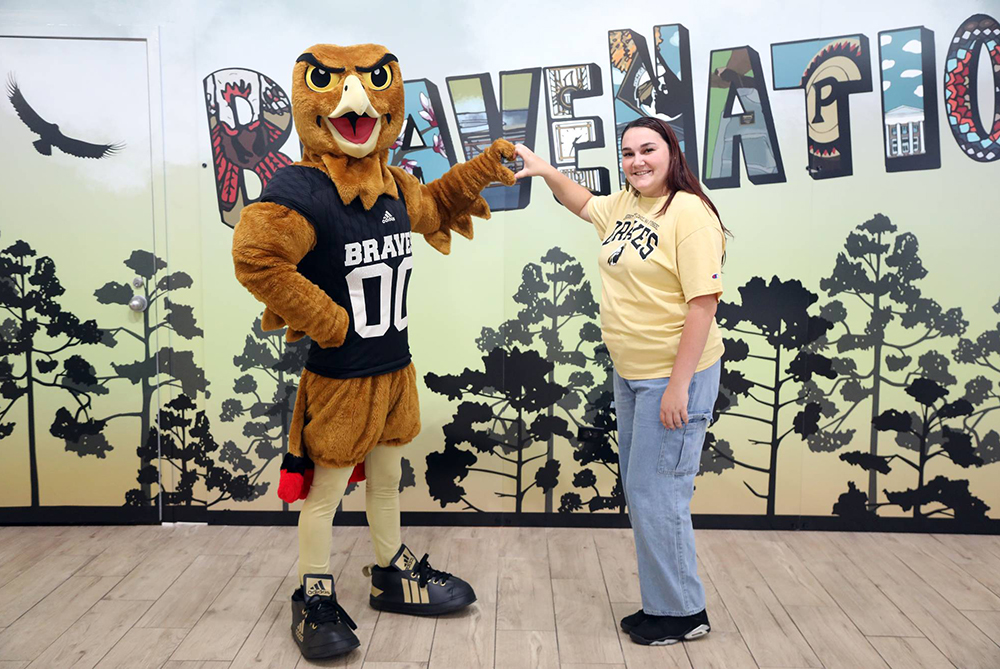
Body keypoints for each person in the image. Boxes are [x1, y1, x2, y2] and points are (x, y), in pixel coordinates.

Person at [514, 116, 729, 646]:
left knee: (661, 493)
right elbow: (583, 202)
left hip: (673, 374)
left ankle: (682, 613)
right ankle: (664, 603)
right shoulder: (626, 206)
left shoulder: (689, 214)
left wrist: (679, 387)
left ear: (671, 153)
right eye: (628, 153)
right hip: (631, 373)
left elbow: (703, 305)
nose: (637, 162)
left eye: (648, 150)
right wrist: (544, 172)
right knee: (643, 489)